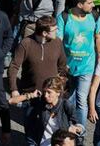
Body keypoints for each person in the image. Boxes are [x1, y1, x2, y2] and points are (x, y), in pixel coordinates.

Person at [8, 15, 68, 144]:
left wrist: (60, 85)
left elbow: (63, 66)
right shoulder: (26, 43)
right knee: (31, 132)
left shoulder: (57, 42)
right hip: (31, 96)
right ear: (45, 33)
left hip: (52, 96)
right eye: (54, 29)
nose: (57, 31)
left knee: (51, 131)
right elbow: (14, 66)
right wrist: (14, 89)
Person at [57, 0, 100, 130]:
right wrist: (61, 63)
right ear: (79, 4)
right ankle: (69, 128)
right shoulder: (64, 17)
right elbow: (59, 41)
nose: (93, 5)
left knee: (82, 100)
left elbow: (98, 36)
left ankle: (80, 132)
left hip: (87, 66)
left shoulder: (94, 16)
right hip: (68, 67)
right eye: (89, 3)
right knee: (69, 99)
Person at [8, 77, 84, 145]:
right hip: (42, 142)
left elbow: (78, 125)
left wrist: (77, 129)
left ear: (58, 93)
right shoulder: (40, 102)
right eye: (44, 92)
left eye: (49, 92)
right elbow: (12, 101)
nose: (45, 95)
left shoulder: (66, 105)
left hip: (59, 143)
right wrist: (30, 95)